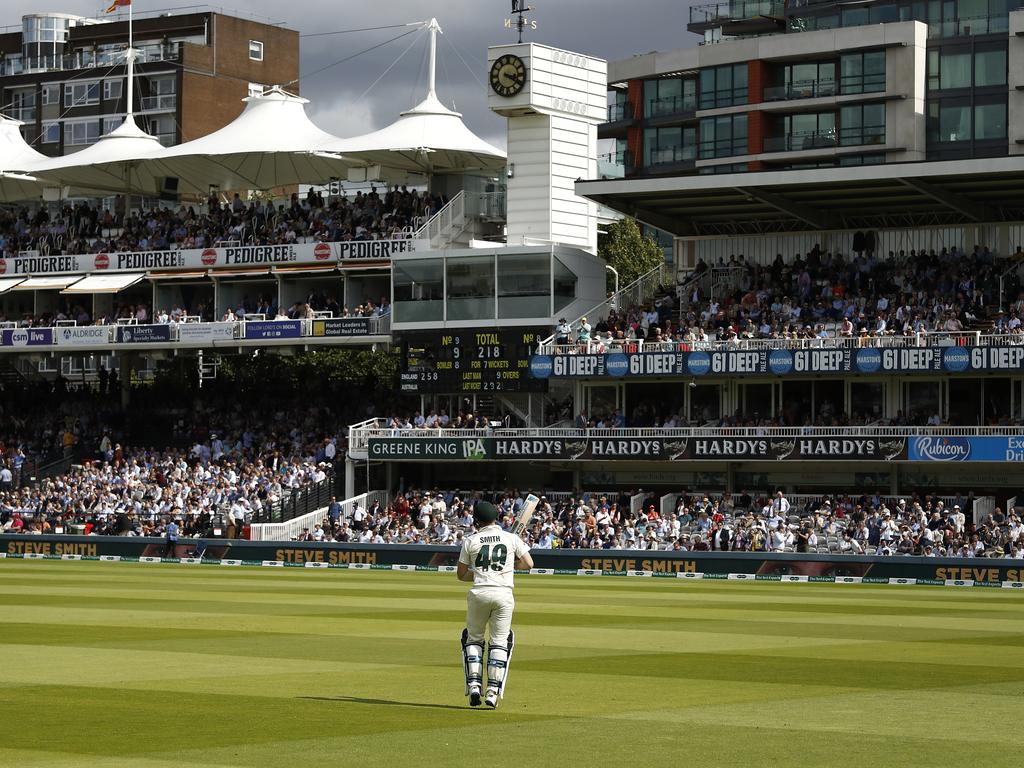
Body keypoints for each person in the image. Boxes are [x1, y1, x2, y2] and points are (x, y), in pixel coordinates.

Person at [458, 501, 533, 709]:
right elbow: (528, 564)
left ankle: (474, 686)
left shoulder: (470, 540)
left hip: (479, 592)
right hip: (503, 594)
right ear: (496, 517)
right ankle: (492, 692)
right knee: (500, 642)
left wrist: (484, 574)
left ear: (476, 520)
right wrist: (507, 567)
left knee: (473, 639)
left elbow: (461, 575)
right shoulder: (511, 538)